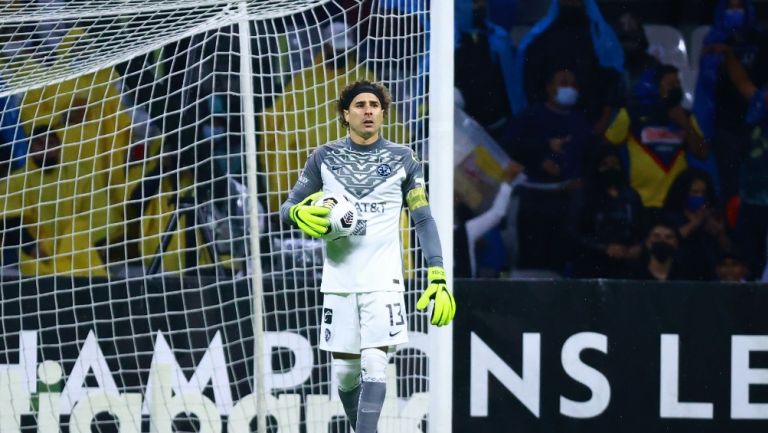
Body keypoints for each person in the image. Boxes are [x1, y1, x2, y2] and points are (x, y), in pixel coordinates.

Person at [280, 81, 455, 433]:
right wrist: (298, 214)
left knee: (375, 362)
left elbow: (423, 218)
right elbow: (287, 207)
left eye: (375, 104)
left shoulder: (404, 159)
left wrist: (437, 273)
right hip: (340, 277)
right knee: (345, 373)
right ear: (346, 115)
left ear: (383, 112)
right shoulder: (323, 157)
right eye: (360, 105)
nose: (369, 110)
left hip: (384, 277)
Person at [505, 67, 596, 272]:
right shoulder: (530, 116)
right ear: (549, 88)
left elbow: (590, 158)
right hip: (533, 199)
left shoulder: (581, 123)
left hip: (568, 201)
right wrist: (541, 154)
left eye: (573, 85)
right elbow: (510, 145)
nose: (569, 89)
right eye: (563, 83)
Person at [604, 64, 709, 210]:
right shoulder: (630, 113)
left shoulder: (686, 117)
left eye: (678, 83)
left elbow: (702, 153)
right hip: (641, 200)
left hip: (677, 201)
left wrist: (685, 124)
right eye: (670, 84)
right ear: (653, 87)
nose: (676, 88)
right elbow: (608, 146)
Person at [692, 0, 768, 200]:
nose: (735, 11)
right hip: (731, 127)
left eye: (739, 6)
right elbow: (744, 84)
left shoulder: (760, 41)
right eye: (730, 6)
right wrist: (727, 53)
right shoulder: (715, 39)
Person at [512, 0, 624, 133]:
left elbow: (611, 84)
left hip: (591, 125)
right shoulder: (542, 36)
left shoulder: (600, 35)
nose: (571, 2)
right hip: (548, 126)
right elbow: (531, 84)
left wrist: (603, 123)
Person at [568, 145, 644, 278]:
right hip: (592, 262)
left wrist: (637, 247)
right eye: (605, 164)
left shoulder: (631, 196)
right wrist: (604, 248)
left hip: (627, 261)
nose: (611, 168)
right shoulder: (584, 196)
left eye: (615, 164)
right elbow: (574, 232)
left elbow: (642, 227)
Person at [454, 161, 523, 278]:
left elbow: (496, 214)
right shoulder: (463, 231)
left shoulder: (463, 231)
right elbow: (497, 214)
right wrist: (507, 181)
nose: (458, 199)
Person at [662, 168, 730, 280]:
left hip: (709, 277)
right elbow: (668, 243)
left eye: (703, 193)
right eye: (694, 192)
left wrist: (720, 233)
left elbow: (729, 253)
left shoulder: (714, 217)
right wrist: (694, 224)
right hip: (679, 276)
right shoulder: (669, 217)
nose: (699, 197)